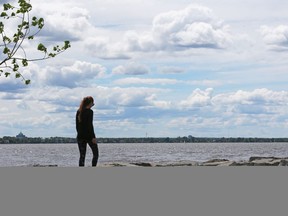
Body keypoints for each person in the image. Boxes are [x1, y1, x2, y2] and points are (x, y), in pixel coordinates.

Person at [76, 96, 99, 167]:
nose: (93, 104)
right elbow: (90, 125)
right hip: (89, 137)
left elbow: (77, 126)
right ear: (90, 103)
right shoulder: (90, 112)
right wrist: (93, 137)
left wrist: (79, 134)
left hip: (80, 137)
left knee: (82, 156)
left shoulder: (79, 111)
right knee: (96, 154)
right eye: (92, 103)